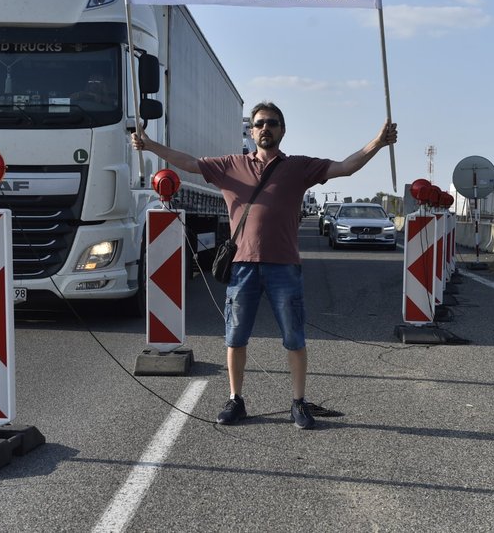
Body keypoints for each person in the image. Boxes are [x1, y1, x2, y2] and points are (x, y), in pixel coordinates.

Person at [131, 102, 398, 430]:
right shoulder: (230, 165)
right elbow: (188, 163)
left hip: (284, 267)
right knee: (235, 337)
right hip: (242, 266)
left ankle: (298, 403)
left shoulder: (299, 167)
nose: (265, 128)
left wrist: (378, 142)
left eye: (272, 123)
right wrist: (149, 145)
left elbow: (345, 167)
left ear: (282, 130)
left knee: (294, 338)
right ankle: (235, 399)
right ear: (252, 130)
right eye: (259, 124)